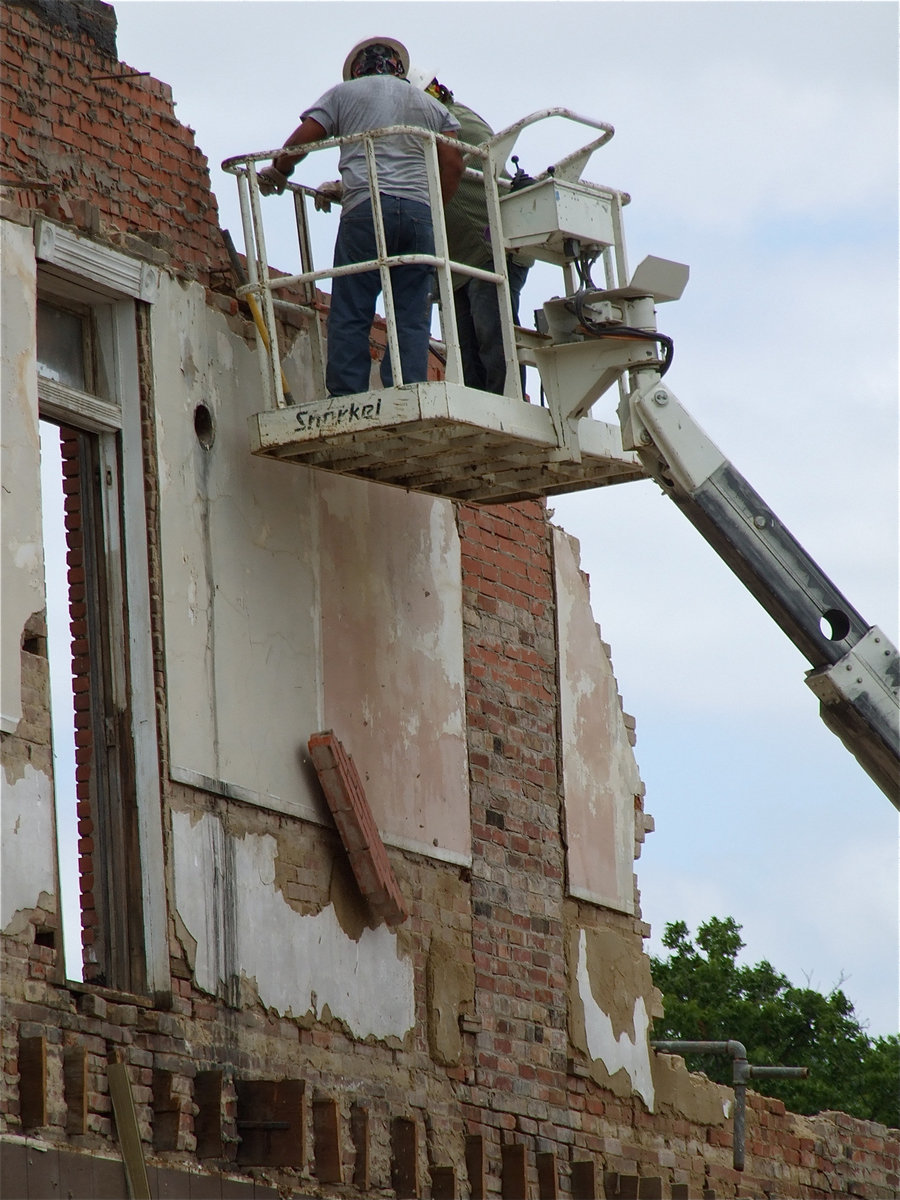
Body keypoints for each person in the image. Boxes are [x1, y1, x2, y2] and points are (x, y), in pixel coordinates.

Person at [258, 37, 463, 398]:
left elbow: (306, 137)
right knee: (410, 313)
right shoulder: (428, 104)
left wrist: (280, 169)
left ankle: (346, 394)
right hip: (417, 215)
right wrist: (432, 208)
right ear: (399, 67)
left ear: (356, 71)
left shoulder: (343, 95)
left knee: (353, 306)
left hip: (367, 210)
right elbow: (452, 162)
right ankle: (407, 387)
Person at [408, 72, 532, 396]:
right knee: (466, 349)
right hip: (462, 257)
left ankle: (509, 402)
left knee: (492, 336)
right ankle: (489, 403)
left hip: (489, 248)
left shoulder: (451, 122)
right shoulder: (438, 124)